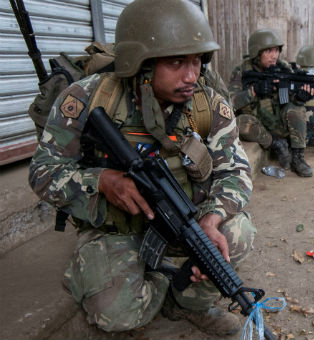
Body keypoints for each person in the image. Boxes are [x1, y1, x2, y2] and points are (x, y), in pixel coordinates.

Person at [28, 0, 254, 336]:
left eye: (196, 61)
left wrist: (212, 218)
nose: (191, 75)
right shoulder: (89, 98)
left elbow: (235, 171)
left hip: (182, 219)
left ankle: (186, 302)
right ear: (142, 63)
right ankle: (145, 283)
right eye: (177, 62)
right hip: (114, 229)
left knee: (238, 233)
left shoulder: (208, 105)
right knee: (116, 315)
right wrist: (101, 181)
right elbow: (43, 171)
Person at [229, 29, 314, 177]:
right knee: (238, 122)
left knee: (297, 108)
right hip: (259, 127)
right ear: (256, 52)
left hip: (279, 121)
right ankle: (277, 144)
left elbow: (290, 101)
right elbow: (229, 103)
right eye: (268, 51)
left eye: (276, 50)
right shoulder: (242, 71)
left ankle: (297, 157)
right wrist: (254, 91)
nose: (274, 55)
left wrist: (300, 97)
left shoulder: (283, 68)